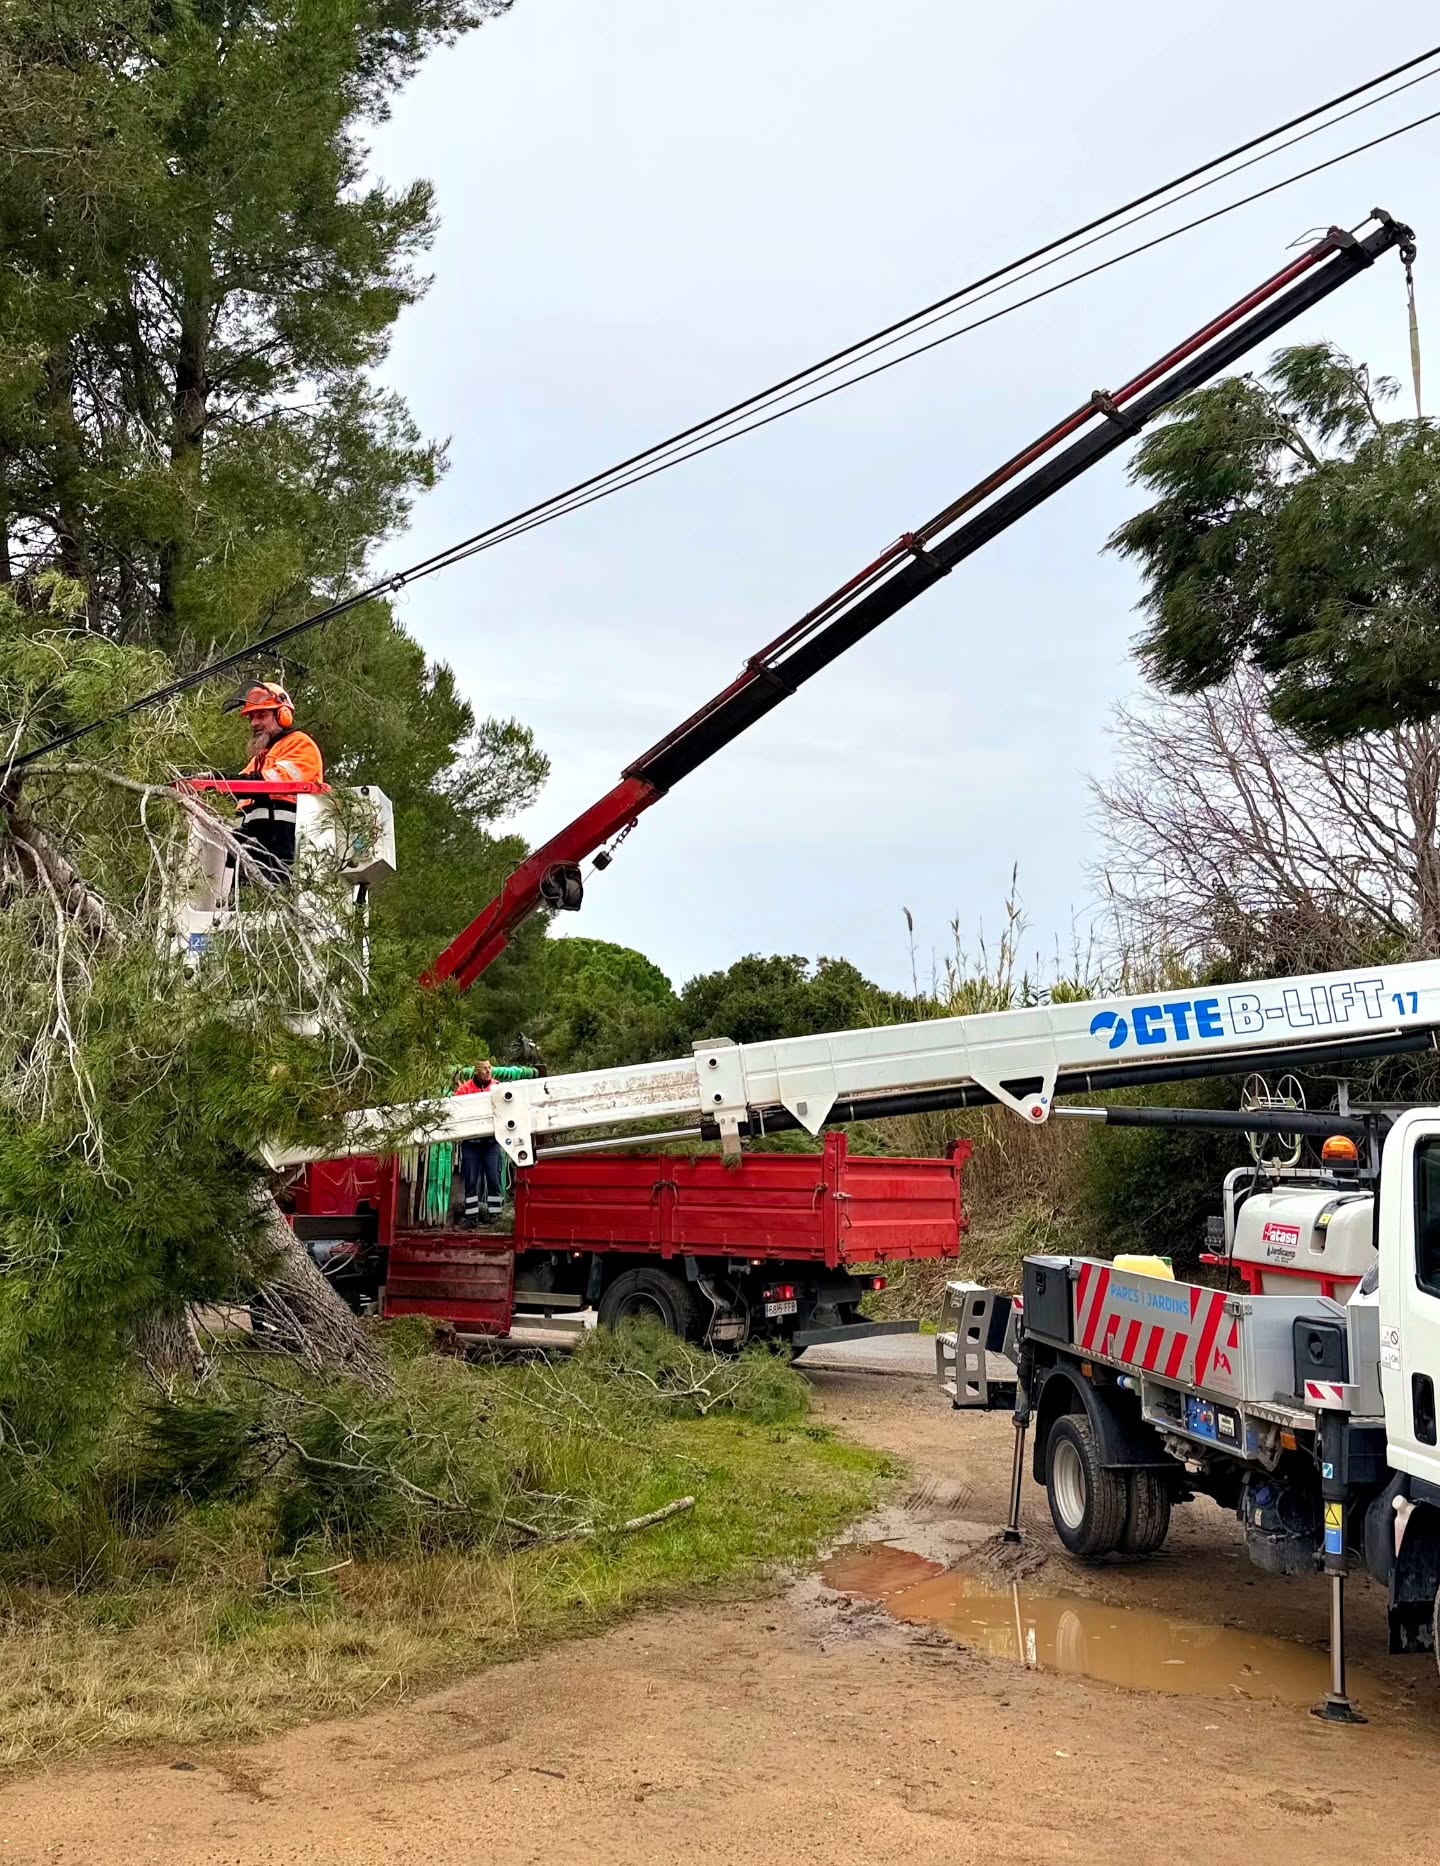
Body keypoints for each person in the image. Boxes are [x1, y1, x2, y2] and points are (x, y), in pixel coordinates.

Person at [232, 682, 325, 878]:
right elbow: (237, 784)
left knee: (274, 902)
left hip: (281, 847)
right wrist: (209, 781)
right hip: (253, 846)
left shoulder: (300, 744)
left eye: (261, 715)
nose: (254, 723)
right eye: (251, 717)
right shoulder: (261, 757)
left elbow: (266, 783)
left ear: (283, 715)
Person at [454, 1062, 505, 1226]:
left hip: (491, 1142)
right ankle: (471, 1218)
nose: (488, 1070)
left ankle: (495, 1216)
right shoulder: (464, 1090)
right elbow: (455, 1112)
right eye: (484, 1068)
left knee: (494, 1179)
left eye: (490, 1068)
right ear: (477, 1071)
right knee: (471, 1182)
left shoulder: (498, 1087)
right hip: (471, 1144)